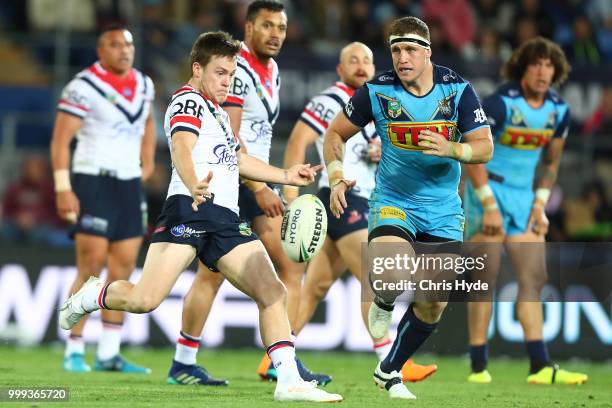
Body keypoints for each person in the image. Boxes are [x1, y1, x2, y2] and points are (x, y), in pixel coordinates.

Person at [58, 30, 343, 403]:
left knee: (272, 291)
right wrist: (193, 183)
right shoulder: (187, 102)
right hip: (190, 209)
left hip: (225, 218)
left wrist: (286, 175)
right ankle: (91, 296)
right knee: (145, 300)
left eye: (232, 74)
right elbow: (181, 146)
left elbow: (239, 160)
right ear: (198, 68)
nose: (228, 81)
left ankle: (287, 380)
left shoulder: (219, 114)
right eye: (221, 73)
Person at [323, 16, 494, 399]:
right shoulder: (376, 91)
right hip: (394, 201)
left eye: (411, 50)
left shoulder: (458, 91)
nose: (402, 58)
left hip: (445, 209)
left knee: (433, 303)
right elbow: (334, 133)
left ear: (428, 52)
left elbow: (485, 147)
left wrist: (454, 149)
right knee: (391, 275)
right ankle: (384, 299)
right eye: (396, 50)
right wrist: (336, 175)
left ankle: (389, 370)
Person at [163, 0, 329, 385]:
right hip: (235, 182)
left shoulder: (270, 70)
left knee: (275, 269)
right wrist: (260, 186)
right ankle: (194, 361)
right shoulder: (235, 73)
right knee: (239, 274)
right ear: (249, 28)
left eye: (282, 27)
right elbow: (229, 137)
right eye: (267, 25)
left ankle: (274, 357)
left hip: (253, 179)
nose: (276, 34)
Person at [283, 41, 437, 383]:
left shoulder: (374, 104)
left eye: (366, 60)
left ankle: (279, 356)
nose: (361, 66)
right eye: (352, 60)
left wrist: (384, 150)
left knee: (316, 286)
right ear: (340, 69)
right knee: (375, 276)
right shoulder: (329, 101)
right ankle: (392, 360)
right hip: (342, 197)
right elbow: (298, 141)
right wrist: (291, 197)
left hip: (366, 197)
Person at [463, 36, 588, 385]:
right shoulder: (500, 104)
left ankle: (540, 366)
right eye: (535, 63)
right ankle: (478, 367)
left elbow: (552, 163)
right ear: (523, 67)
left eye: (548, 65)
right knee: (484, 279)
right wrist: (487, 204)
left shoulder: (558, 112)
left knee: (534, 278)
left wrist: (540, 204)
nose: (542, 71)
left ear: (556, 71)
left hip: (524, 198)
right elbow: (473, 156)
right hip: (487, 189)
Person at [50, 24, 156, 374]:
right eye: (115, 45)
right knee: (91, 264)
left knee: (124, 265)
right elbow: (61, 139)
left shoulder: (144, 83)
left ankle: (109, 352)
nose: (124, 50)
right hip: (92, 179)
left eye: (128, 44)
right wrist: (63, 186)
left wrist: (149, 158)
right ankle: (74, 350)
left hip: (128, 183)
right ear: (100, 50)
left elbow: (148, 120)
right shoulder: (83, 86)